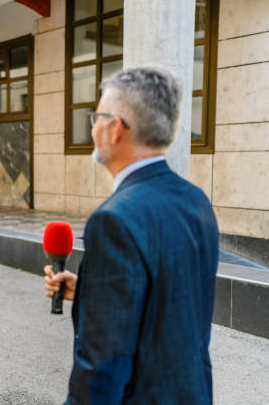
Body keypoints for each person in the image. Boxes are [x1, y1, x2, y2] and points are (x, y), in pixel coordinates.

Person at [44, 68, 219, 404]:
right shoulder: (195, 200)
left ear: (115, 128)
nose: (92, 127)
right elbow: (173, 304)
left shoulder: (114, 220)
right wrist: (89, 291)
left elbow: (102, 364)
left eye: (96, 117)